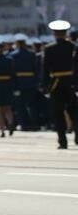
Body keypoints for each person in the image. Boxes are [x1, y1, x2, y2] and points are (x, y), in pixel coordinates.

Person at [44, 20, 74, 148]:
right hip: (72, 83)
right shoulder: (73, 46)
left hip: (55, 84)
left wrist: (45, 86)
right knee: (74, 111)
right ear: (66, 33)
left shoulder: (49, 48)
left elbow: (45, 69)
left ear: (54, 33)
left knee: (58, 114)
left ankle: (63, 141)